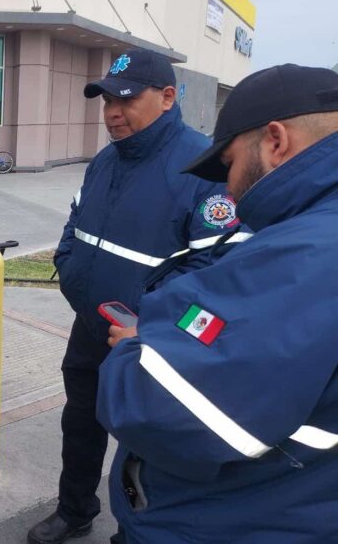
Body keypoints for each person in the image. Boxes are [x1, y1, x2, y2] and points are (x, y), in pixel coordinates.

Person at [96, 64, 338, 543]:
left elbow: (153, 406)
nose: (227, 189)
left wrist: (137, 348)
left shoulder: (308, 254)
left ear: (275, 141)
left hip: (232, 521)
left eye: (228, 164)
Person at [28, 49, 248, 544]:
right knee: (80, 425)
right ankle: (75, 508)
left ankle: (138, 531)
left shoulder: (203, 169)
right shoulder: (104, 161)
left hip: (153, 343)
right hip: (91, 330)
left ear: (168, 97)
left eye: (125, 100)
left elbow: (214, 271)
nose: (111, 112)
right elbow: (74, 230)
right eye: (106, 99)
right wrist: (71, 275)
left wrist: (147, 324)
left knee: (147, 448)